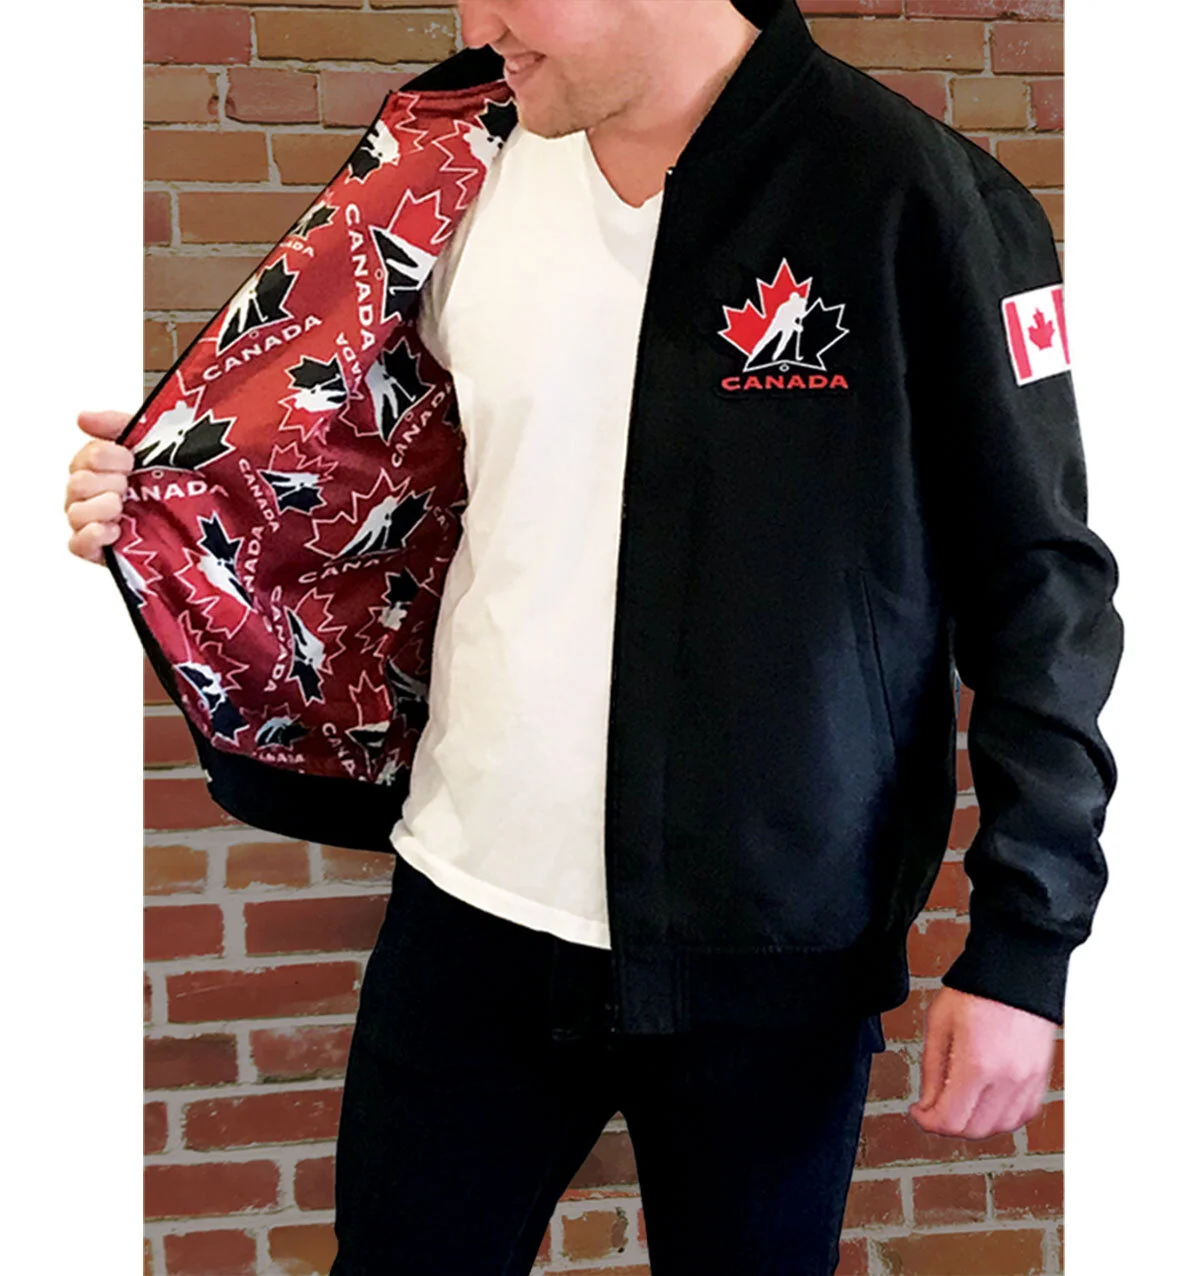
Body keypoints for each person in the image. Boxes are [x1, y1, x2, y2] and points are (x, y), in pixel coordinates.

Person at [66, 2, 1121, 1272]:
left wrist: (1023, 946)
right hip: (467, 908)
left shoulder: (913, 197)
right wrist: (175, 492)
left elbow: (1042, 588)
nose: (477, 22)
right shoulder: (447, 166)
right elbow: (361, 459)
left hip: (773, 949)